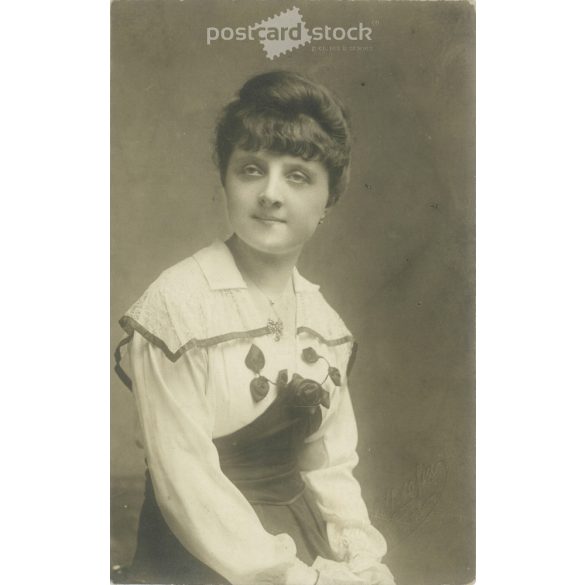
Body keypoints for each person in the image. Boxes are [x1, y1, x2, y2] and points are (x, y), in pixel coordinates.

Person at [114, 70, 396, 585]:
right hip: (198, 559)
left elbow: (329, 467)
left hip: (299, 550)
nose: (269, 193)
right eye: (250, 169)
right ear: (225, 180)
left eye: (297, 175)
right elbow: (188, 485)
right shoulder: (177, 306)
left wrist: (361, 562)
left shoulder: (324, 325)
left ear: (328, 200)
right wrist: (295, 579)